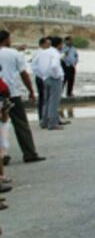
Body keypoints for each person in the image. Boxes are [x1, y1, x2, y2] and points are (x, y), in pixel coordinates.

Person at [0, 30, 45, 162]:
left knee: (2, 125)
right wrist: (30, 90)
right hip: (12, 93)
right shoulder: (14, 54)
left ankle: (3, 155)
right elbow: (23, 74)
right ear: (7, 39)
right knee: (21, 124)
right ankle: (29, 153)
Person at [42, 36, 65, 130]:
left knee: (47, 101)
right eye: (61, 44)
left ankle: (44, 122)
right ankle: (52, 123)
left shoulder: (45, 52)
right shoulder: (55, 54)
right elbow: (54, 66)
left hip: (45, 78)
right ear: (59, 44)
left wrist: (43, 75)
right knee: (54, 102)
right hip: (54, 79)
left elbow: (36, 65)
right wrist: (57, 76)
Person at [31, 37, 51, 125]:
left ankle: (46, 117)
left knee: (46, 98)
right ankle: (42, 117)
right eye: (47, 44)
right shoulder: (39, 53)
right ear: (42, 44)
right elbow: (35, 67)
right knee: (43, 98)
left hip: (44, 77)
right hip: (42, 78)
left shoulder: (45, 53)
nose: (49, 45)